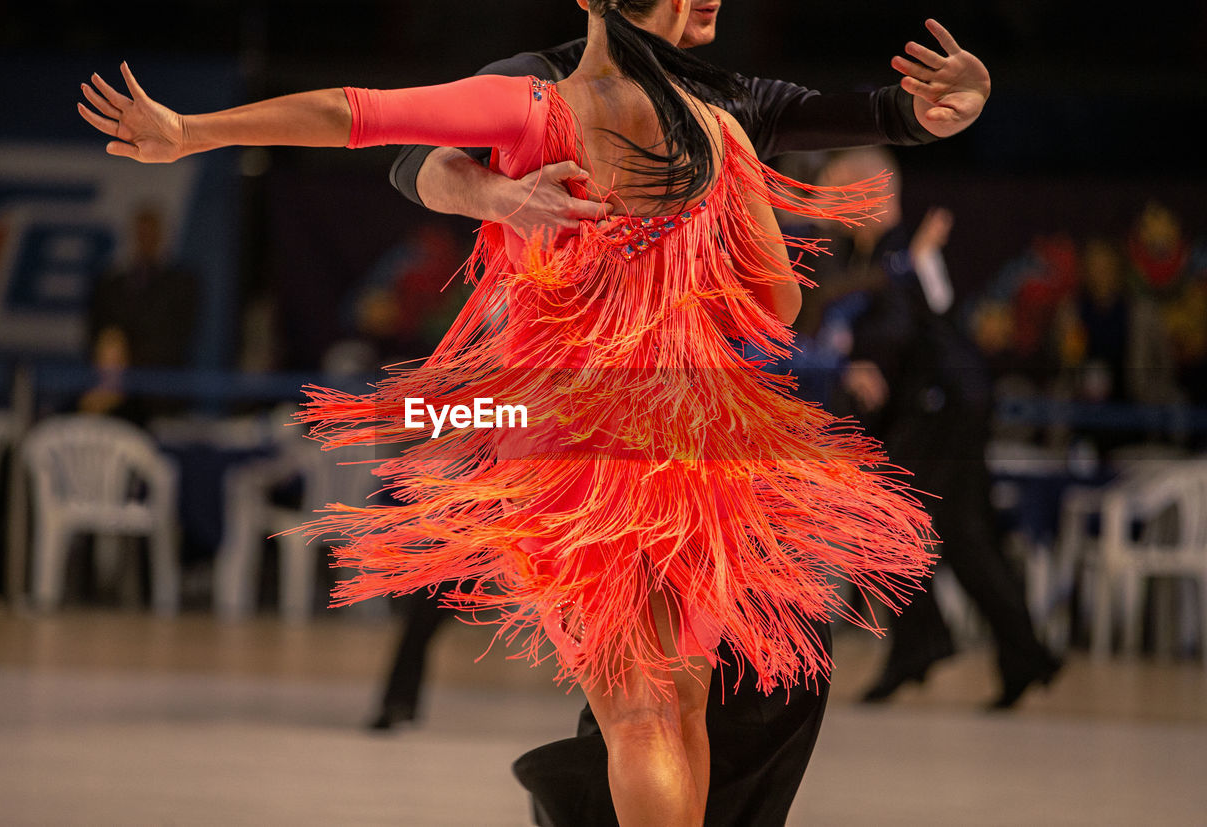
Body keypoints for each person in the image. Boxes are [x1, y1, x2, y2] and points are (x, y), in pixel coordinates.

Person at [79, 3, 946, 823]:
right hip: (695, 443)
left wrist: (192, 133)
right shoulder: (718, 130)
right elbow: (782, 301)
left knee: (633, 713)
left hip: (566, 443)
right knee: (681, 700)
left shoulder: (538, 108)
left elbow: (358, 113)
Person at [803, 147, 1062, 710]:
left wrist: (854, 357)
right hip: (939, 408)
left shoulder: (901, 257)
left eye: (836, 190)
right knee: (961, 535)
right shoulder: (874, 257)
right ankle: (1020, 652)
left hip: (944, 410)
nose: (825, 201)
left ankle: (926, 645)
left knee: (881, 518)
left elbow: (908, 328)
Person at [79, 204, 200, 425]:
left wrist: (131, 364)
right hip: (114, 401)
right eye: (141, 233)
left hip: (162, 398)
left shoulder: (182, 284)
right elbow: (96, 334)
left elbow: (179, 338)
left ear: (162, 236)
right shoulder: (110, 284)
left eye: (151, 233)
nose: (146, 240)